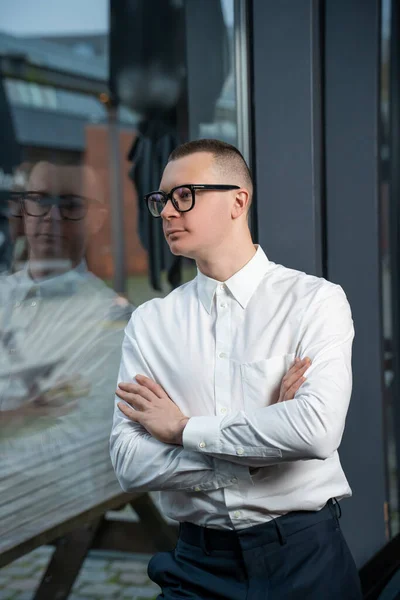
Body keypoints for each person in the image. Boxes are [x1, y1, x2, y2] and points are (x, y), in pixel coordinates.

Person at [110, 139, 362, 599]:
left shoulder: (315, 301)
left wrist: (182, 428)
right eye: (161, 199)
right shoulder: (150, 323)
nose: (167, 212)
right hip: (196, 564)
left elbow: (316, 431)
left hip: (305, 555)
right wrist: (261, 453)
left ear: (237, 200)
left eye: (183, 196)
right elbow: (129, 463)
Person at [0, 161, 132, 556]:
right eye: (40, 201)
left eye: (71, 205)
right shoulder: (4, 296)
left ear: (96, 219)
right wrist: (21, 414)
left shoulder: (111, 320)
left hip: (46, 492)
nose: (52, 218)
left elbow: (69, 438)